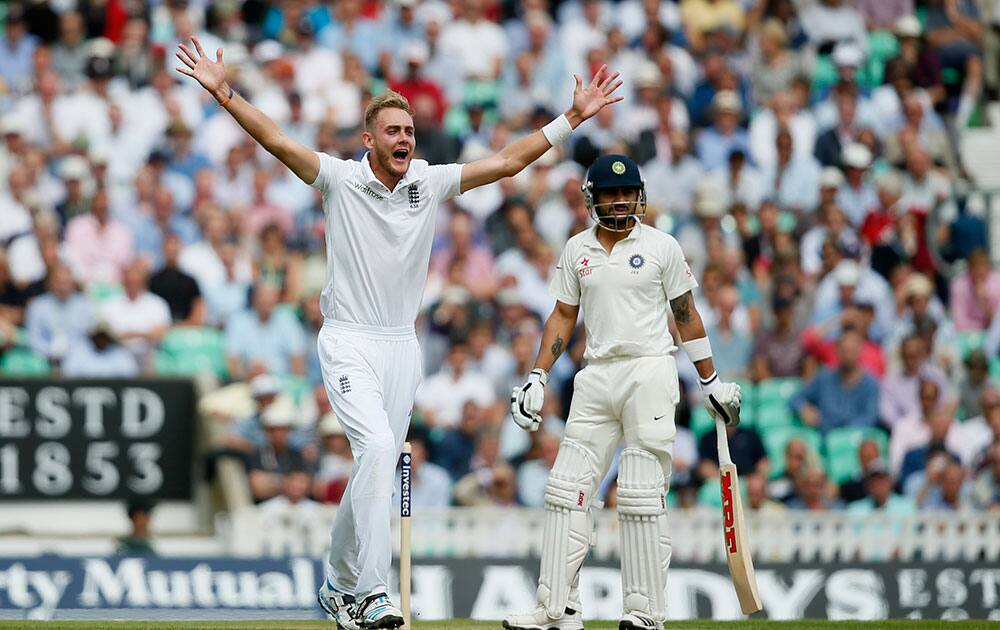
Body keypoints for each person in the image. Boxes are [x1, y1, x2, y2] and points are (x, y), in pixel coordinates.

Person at [175, 36, 623, 629]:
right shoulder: (338, 178)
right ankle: (372, 594)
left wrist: (571, 118)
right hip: (347, 338)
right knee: (381, 451)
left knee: (375, 466)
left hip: (401, 346)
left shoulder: (429, 182)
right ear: (369, 140)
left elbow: (508, 161)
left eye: (409, 131)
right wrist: (225, 92)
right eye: (392, 131)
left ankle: (337, 583)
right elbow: (278, 140)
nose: (405, 140)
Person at [504, 154, 742, 630]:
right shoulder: (577, 249)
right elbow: (562, 316)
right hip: (595, 373)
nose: (619, 201)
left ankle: (644, 611)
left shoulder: (662, 247)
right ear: (592, 198)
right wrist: (537, 375)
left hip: (650, 371)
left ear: (640, 195)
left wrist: (710, 379)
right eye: (610, 193)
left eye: (626, 192)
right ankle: (557, 609)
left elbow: (686, 313)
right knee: (565, 489)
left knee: (638, 492)